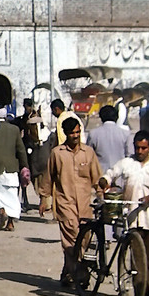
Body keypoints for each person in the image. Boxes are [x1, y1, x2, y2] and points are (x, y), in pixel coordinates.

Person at [98, 131, 149, 296]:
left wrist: (148, 198)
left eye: (143, 148)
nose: (140, 151)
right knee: (136, 259)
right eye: (137, 147)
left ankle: (145, 293)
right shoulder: (127, 163)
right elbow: (111, 173)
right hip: (131, 219)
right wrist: (104, 181)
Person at [40, 117, 103, 286]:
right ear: (66, 134)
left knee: (84, 240)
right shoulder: (57, 154)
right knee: (72, 240)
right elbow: (48, 177)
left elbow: (97, 178)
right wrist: (44, 199)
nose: (75, 136)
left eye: (78, 132)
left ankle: (67, 272)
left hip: (85, 205)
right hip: (65, 203)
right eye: (72, 133)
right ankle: (80, 276)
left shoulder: (88, 152)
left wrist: (101, 195)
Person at [86, 105, 133, 172]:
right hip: (120, 175)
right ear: (117, 117)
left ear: (101, 117)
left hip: (100, 174)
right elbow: (129, 156)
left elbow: (88, 156)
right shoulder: (125, 134)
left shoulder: (93, 134)